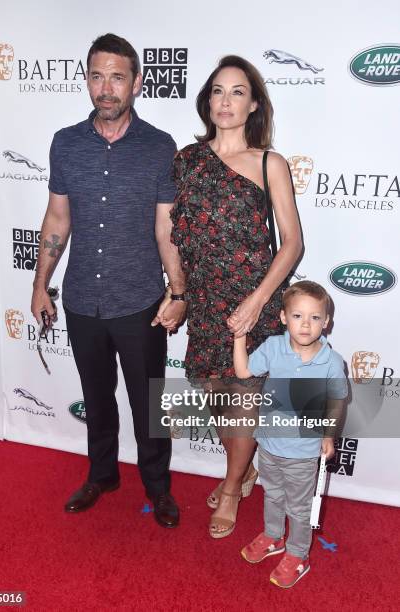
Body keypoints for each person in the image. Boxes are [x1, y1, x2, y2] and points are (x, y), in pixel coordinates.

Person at [31, 33, 186, 528]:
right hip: (81, 300)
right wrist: (40, 284)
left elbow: (167, 229)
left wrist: (177, 291)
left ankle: (158, 488)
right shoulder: (66, 143)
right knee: (96, 397)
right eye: (97, 76)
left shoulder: (161, 147)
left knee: (148, 404)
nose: (106, 87)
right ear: (87, 81)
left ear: (136, 83)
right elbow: (57, 219)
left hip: (140, 300)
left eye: (117, 76)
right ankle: (102, 474)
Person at [170, 55, 302, 538]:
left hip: (256, 302)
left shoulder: (270, 163)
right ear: (208, 101)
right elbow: (177, 234)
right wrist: (177, 292)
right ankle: (243, 470)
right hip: (205, 302)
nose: (225, 101)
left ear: (253, 105)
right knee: (218, 401)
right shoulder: (187, 159)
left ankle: (230, 488)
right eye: (218, 91)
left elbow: (291, 243)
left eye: (237, 92)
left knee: (244, 402)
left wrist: (257, 300)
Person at [235, 281, 347, 588]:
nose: (306, 324)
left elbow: (337, 401)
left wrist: (328, 435)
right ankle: (273, 537)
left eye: (315, 317)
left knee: (298, 507)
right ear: (284, 317)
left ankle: (299, 554)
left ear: (326, 323)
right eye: (298, 316)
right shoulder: (273, 347)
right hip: (269, 444)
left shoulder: (332, 362)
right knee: (271, 495)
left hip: (303, 452)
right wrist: (239, 336)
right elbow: (244, 371)